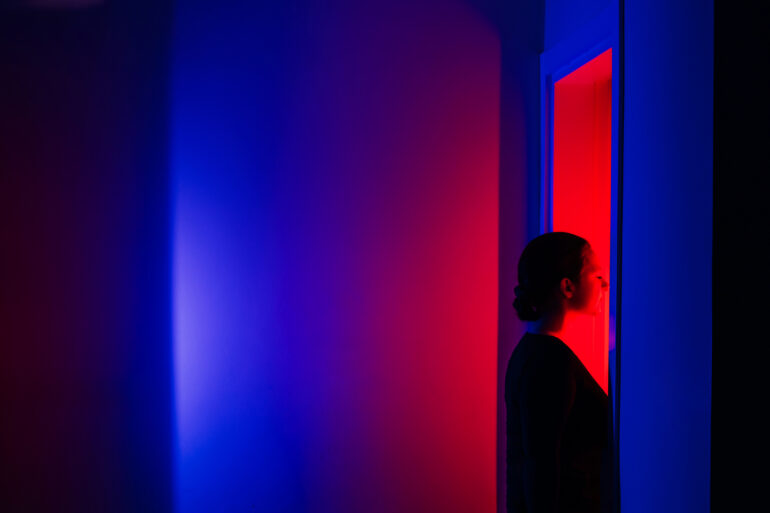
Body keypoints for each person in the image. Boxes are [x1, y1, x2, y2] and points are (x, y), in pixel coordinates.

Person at [505, 232, 609, 513]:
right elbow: (541, 465)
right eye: (596, 275)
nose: (605, 284)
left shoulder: (533, 353)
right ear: (567, 286)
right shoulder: (548, 361)